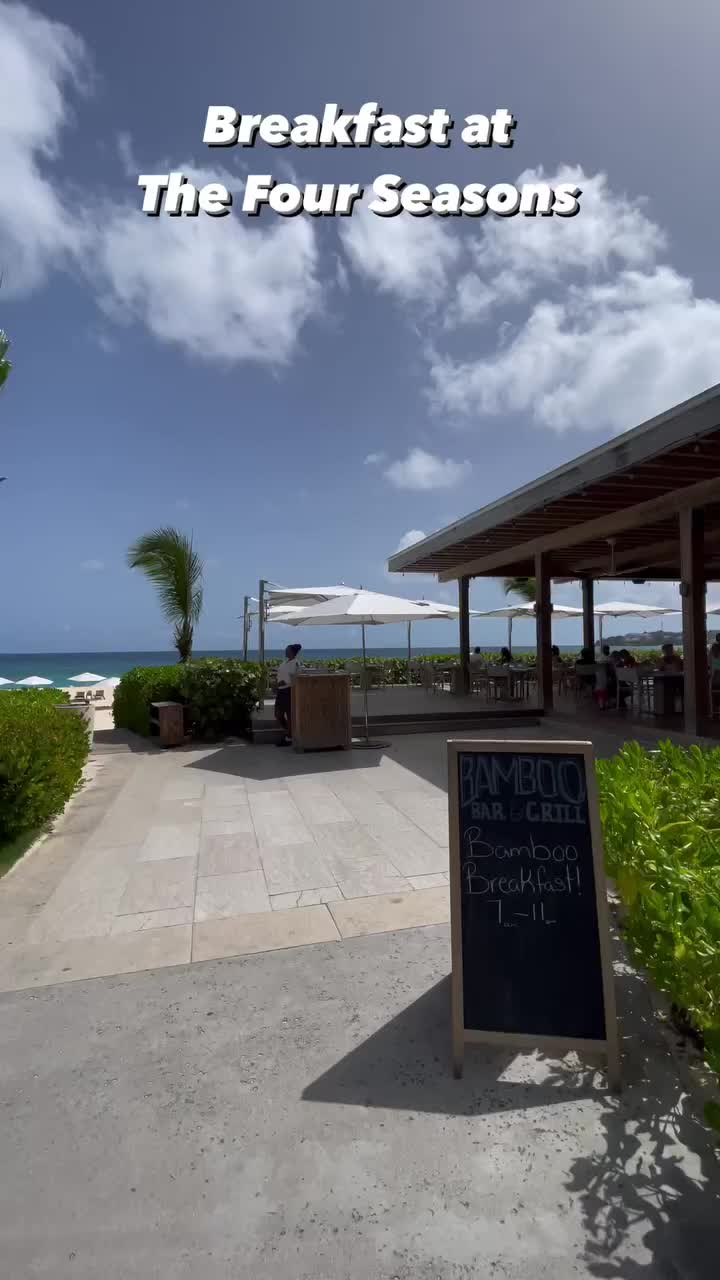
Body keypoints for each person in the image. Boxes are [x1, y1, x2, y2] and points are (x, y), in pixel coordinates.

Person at [274, 643, 303, 745]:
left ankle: (288, 736)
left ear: (292, 652)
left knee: (289, 715)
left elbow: (294, 678)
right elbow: (280, 674)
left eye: (287, 650)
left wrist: (283, 683)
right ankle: (290, 733)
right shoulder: (285, 662)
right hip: (280, 690)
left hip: (288, 690)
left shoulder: (296, 663)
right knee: (277, 714)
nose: (285, 651)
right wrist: (276, 683)